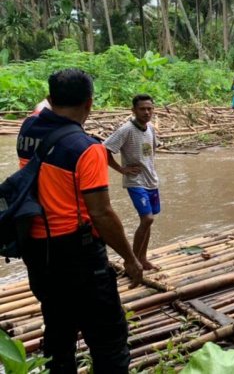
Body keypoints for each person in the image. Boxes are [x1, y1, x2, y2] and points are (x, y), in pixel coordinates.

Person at [16, 68, 143, 374]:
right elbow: (101, 213)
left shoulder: (28, 129)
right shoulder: (87, 149)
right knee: (109, 339)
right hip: (77, 255)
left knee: (58, 328)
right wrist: (130, 258)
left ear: (49, 98)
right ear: (89, 104)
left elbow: (41, 110)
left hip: (36, 249)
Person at [104, 94, 161, 271]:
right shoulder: (126, 130)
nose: (146, 112)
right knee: (147, 219)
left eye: (149, 108)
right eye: (142, 109)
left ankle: (142, 258)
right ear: (134, 110)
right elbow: (105, 150)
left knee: (149, 220)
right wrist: (122, 169)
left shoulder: (150, 128)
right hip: (135, 181)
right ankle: (133, 262)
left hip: (151, 180)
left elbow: (151, 152)